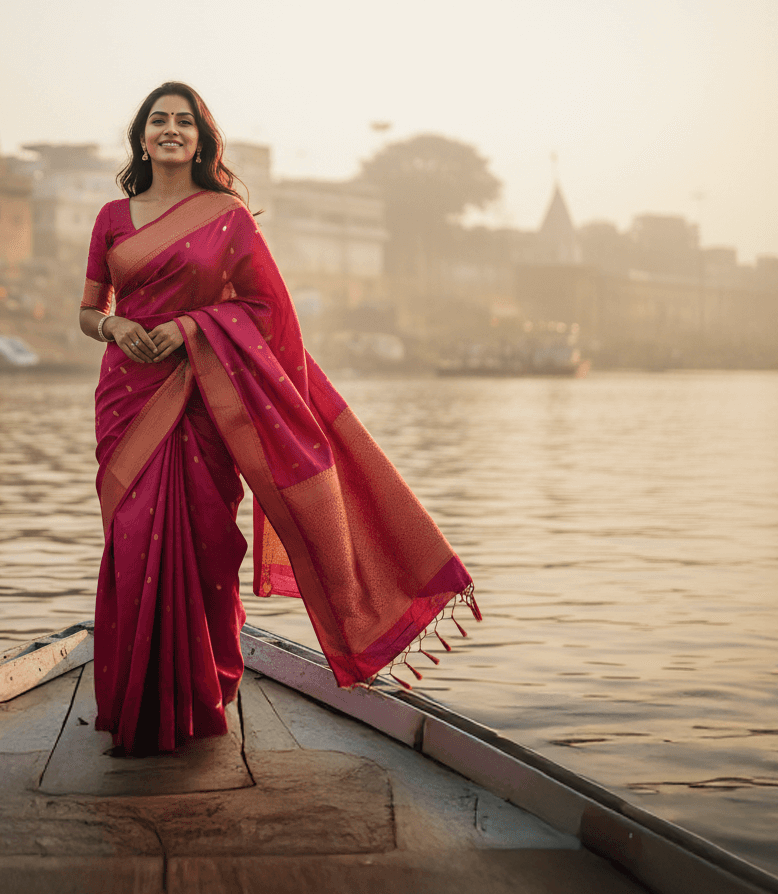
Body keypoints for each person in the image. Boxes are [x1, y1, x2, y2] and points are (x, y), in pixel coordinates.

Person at [78, 82, 478, 756]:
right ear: (141, 137)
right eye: (158, 121)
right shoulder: (113, 217)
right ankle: (134, 706)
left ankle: (199, 701)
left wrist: (190, 329)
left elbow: (269, 313)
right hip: (128, 395)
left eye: (183, 121)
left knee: (204, 542)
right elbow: (88, 311)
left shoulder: (228, 217)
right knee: (134, 539)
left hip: (204, 399)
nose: (170, 130)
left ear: (202, 139)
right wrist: (116, 327)